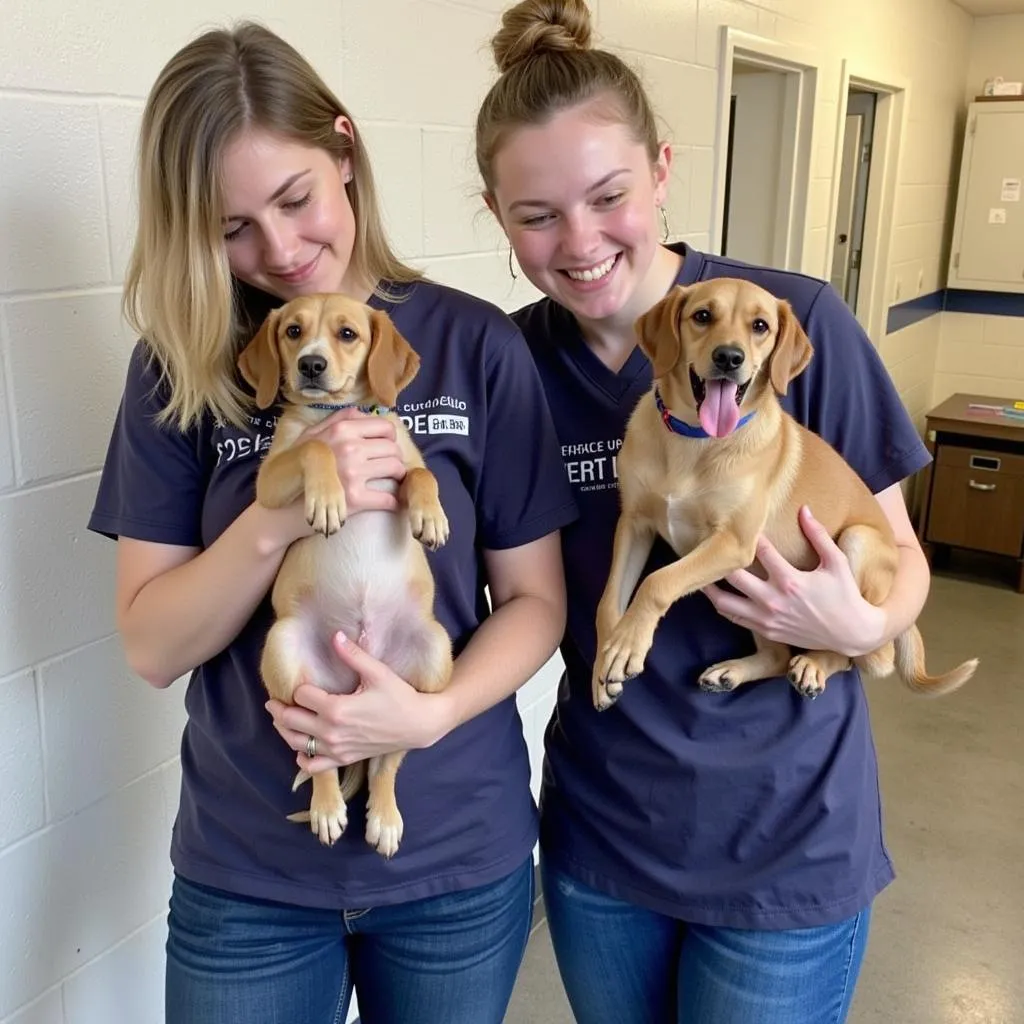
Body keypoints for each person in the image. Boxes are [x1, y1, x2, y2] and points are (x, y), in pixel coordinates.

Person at [87, 21, 577, 1024]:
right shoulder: (177, 371)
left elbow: (535, 602)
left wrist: (430, 714)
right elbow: (150, 644)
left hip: (452, 855)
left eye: (295, 199)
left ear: (345, 153)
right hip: (249, 866)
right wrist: (274, 520)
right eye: (231, 228)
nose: (279, 251)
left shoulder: (473, 344)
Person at [474, 2, 935, 1021]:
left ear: (662, 172)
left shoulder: (792, 319)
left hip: (784, 842)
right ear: (496, 215)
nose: (581, 242)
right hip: (604, 836)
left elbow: (899, 559)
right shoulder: (506, 364)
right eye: (536, 214)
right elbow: (505, 590)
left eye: (608, 195)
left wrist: (864, 623)